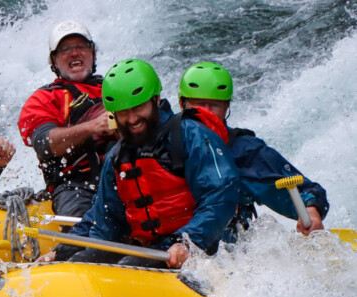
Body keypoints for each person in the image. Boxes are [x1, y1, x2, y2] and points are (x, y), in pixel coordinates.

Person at [63, 59, 241, 269]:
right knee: (83, 261)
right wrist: (65, 251)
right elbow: (105, 221)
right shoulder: (116, 157)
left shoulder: (191, 135)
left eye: (138, 108)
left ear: (155, 100)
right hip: (153, 250)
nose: (132, 119)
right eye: (123, 112)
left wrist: (187, 242)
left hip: (200, 249)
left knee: (132, 264)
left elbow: (221, 194)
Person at [177, 61, 329, 235]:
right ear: (182, 104)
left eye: (215, 105)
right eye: (198, 104)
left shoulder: (245, 151)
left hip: (227, 247)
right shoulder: (162, 142)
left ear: (227, 107)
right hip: (168, 243)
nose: (207, 112)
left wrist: (311, 211)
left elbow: (307, 189)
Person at [17, 20, 115, 219]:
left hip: (126, 170)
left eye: (81, 46)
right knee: (79, 225)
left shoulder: (115, 86)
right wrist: (92, 127)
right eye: (65, 50)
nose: (74, 53)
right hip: (76, 185)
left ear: (93, 53)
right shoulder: (43, 99)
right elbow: (45, 145)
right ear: (54, 61)